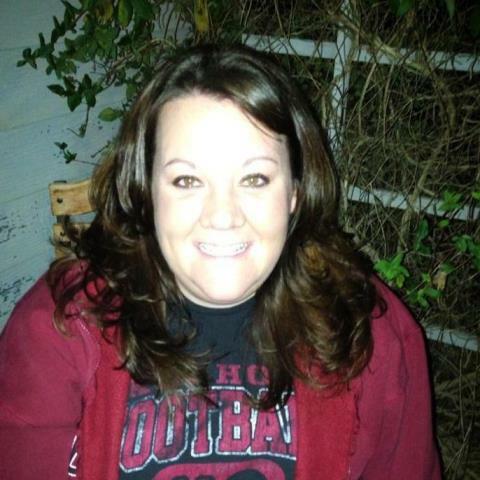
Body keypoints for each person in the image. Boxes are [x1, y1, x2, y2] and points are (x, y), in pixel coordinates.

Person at [0, 44, 441, 479]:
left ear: (294, 192)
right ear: (146, 190)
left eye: (255, 178)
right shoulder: (59, 328)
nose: (223, 216)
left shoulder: (369, 330)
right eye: (187, 180)